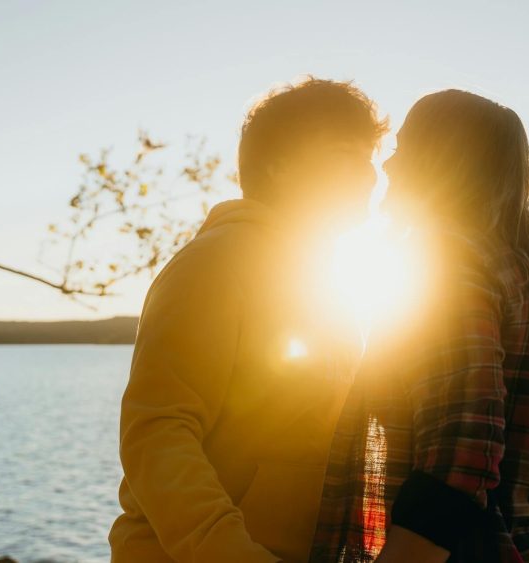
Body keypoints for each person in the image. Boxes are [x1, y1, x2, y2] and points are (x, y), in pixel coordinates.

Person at [311, 90, 529, 562]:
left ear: (441, 161)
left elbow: (460, 461)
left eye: (404, 150)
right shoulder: (523, 269)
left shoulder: (449, 267)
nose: (389, 167)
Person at [108, 77, 388, 563]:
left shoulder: (328, 283)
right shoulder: (214, 263)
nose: (369, 177)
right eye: (347, 155)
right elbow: (157, 432)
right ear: (279, 166)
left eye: (370, 160)